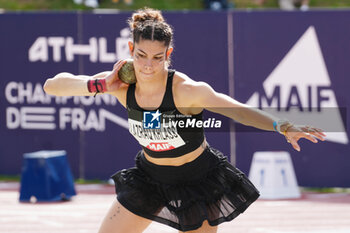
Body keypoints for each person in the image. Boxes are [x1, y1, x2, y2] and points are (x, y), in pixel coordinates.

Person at [43, 8, 325, 233]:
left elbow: (237, 110)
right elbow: (52, 86)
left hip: (197, 180)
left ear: (168, 54)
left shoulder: (187, 90)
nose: (148, 66)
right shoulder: (119, 85)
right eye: (141, 56)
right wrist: (100, 85)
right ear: (130, 49)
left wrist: (283, 126)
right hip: (149, 179)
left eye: (157, 57)